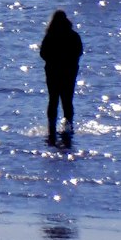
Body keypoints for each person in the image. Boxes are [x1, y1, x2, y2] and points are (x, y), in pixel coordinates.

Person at [39, 9, 83, 145]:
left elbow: (43, 54)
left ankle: (51, 129)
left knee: (53, 100)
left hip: (53, 72)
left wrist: (54, 61)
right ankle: (68, 128)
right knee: (67, 101)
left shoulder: (50, 36)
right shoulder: (73, 36)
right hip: (69, 73)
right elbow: (79, 52)